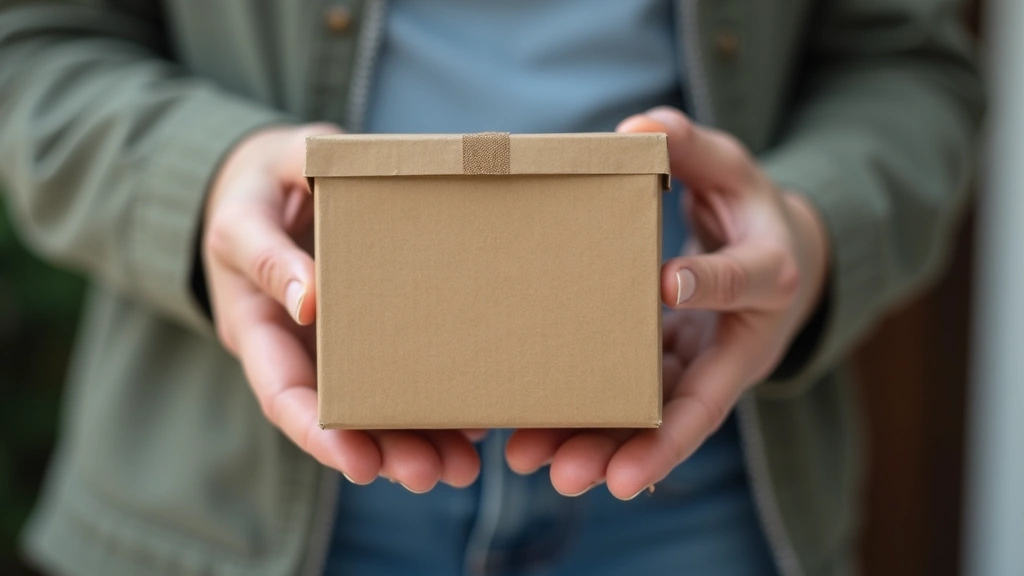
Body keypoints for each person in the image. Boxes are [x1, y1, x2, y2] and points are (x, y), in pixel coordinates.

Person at [0, 1, 982, 575]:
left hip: (703, 497)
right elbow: (33, 43)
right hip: (216, 510)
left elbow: (908, 65)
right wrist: (207, 176)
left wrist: (809, 228)